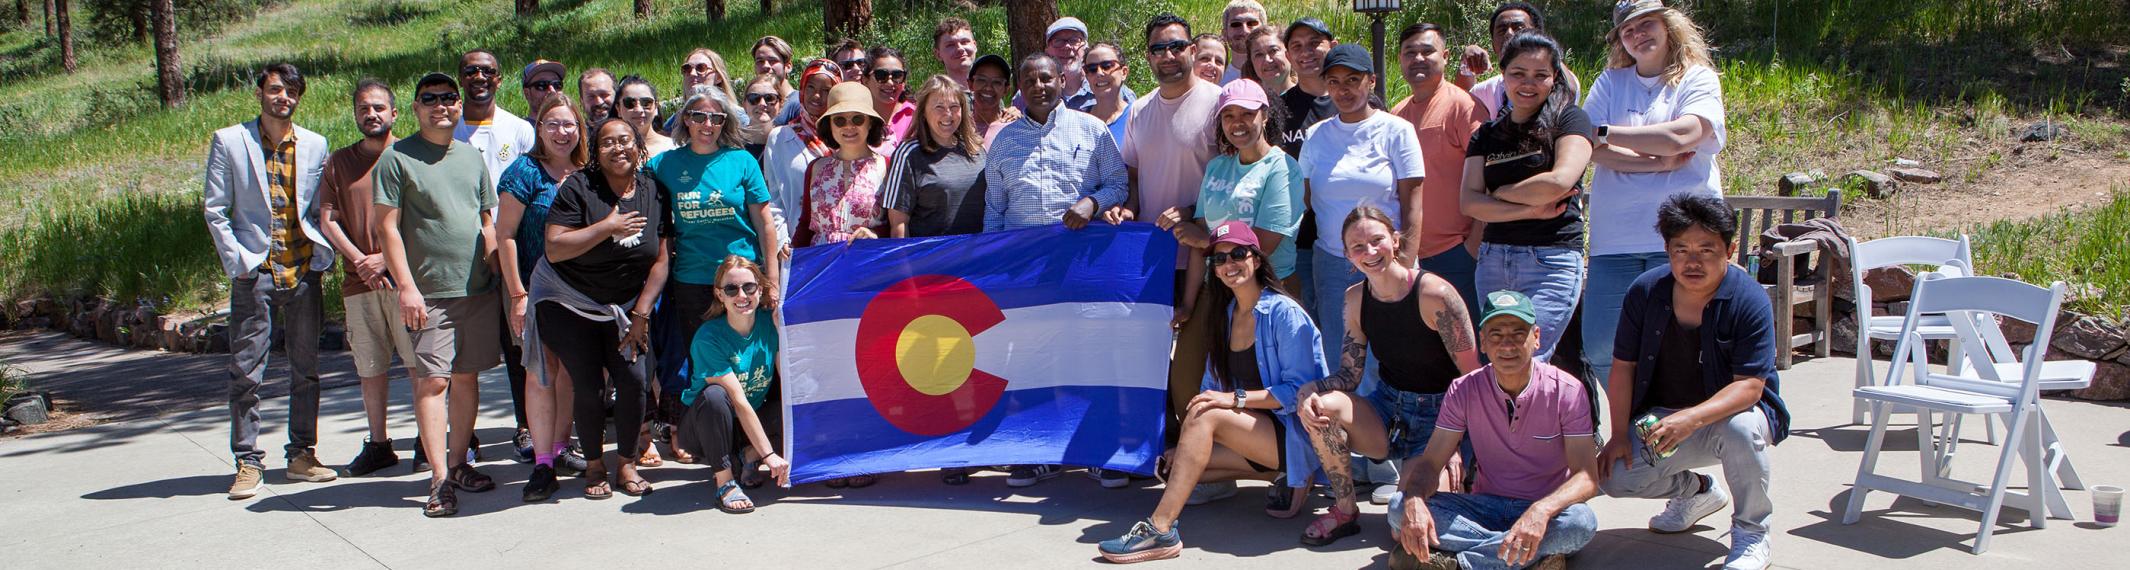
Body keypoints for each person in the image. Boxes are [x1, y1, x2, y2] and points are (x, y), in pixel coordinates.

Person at [1095, 221, 1329, 564]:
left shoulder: (1284, 312)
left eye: (1237, 254)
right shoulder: (1227, 314)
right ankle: (1288, 478)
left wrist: (1233, 400)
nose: (1228, 264)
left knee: (1208, 414)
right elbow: (1209, 388)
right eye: (1218, 260)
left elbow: (1298, 393)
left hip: (1294, 434)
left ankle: (1160, 528)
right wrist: (1190, 440)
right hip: (1253, 437)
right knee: (1175, 465)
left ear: (1257, 259)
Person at [1597, 193, 1788, 570]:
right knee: (1615, 478)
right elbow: (1623, 367)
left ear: (1730, 249)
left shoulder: (1748, 299)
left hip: (1730, 414)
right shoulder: (1646, 291)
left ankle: (1752, 531)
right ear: (1666, 250)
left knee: (1741, 429)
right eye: (1680, 249)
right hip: (1664, 419)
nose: (1692, 261)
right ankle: (1696, 491)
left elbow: (1750, 387)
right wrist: (1619, 434)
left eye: (1706, 249)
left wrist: (1693, 418)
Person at [1282, 207, 1483, 547]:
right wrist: (1310, 390)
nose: (1370, 252)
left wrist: (1458, 444)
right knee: (1322, 407)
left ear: (1395, 240)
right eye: (1357, 246)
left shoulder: (1435, 294)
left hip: (1441, 417)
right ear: (1347, 255)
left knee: (1403, 525)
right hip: (1389, 410)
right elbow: (1349, 374)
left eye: (1377, 241)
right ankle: (1345, 510)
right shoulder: (1356, 298)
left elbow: (1472, 378)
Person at [1153, 78, 1304, 508]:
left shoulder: (1282, 168)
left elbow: (1267, 242)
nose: (1238, 123)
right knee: (1186, 382)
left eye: (1247, 114)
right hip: (1214, 291)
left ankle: (1286, 468)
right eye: (1229, 116)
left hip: (1269, 290)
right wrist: (1187, 301)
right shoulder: (1218, 167)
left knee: (1267, 384)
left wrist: (1205, 241)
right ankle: (1220, 467)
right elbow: (1197, 234)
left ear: (1265, 116)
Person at [1386, 289, 1599, 570]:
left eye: (1518, 333)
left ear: (1536, 337)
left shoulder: (1568, 390)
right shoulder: (1463, 389)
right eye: (1496, 334)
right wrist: (1414, 501)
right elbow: (1431, 462)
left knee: (1581, 523)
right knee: (1398, 507)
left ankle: (1459, 564)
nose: (1507, 345)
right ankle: (1528, 559)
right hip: (1483, 507)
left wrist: (1540, 511)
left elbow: (1587, 478)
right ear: (1483, 342)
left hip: (1544, 509)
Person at [371, 71, 505, 517]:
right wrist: (406, 287)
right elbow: (386, 227)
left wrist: (498, 269)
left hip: (477, 290)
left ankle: (458, 462)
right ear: (415, 108)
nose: (441, 105)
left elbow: (487, 220)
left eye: (449, 97)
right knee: (432, 382)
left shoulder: (470, 158)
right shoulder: (397, 158)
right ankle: (438, 479)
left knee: (466, 378)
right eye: (430, 98)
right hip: (428, 293)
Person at [203, 63, 337, 499]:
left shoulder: (315, 144)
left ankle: (301, 454)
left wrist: (322, 254)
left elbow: (317, 207)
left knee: (307, 369)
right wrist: (239, 262)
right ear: (260, 92)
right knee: (246, 371)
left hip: (301, 270)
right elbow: (216, 209)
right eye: (276, 89)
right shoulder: (230, 140)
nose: (284, 97)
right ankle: (246, 461)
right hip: (254, 272)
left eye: (292, 91)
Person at [1580, 0, 1728, 390]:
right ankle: (1634, 426)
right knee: (1600, 345)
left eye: (1646, 25)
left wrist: (1608, 133)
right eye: (1628, 30)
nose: (1638, 35)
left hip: (1683, 238)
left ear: (1668, 26)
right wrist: (1658, 162)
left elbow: (1682, 135)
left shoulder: (1697, 79)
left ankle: (1679, 429)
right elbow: (1585, 144)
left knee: (1684, 343)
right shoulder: (1610, 82)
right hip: (1615, 239)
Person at [530, 118, 671, 500]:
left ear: (638, 145)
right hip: (568, 301)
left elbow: (661, 259)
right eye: (608, 142)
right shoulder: (579, 188)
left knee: (635, 380)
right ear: (596, 149)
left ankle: (626, 462)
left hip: (626, 306)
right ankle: (594, 464)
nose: (618, 148)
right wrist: (607, 226)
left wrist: (641, 313)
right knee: (589, 386)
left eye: (625, 140)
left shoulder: (653, 191)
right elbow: (555, 247)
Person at [647, 84, 782, 474]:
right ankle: (720, 453)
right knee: (712, 376)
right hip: (693, 283)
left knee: (755, 366)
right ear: (684, 120)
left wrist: (769, 280)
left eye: (716, 118)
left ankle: (752, 451)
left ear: (725, 122)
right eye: (699, 116)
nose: (707, 124)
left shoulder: (741, 160)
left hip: (745, 281)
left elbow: (765, 223)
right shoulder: (666, 165)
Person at [1458, 32, 1591, 363]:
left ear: (1555, 77)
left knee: (1530, 359)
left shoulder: (1570, 119)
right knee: (1497, 361)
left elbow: (1559, 181)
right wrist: (1532, 209)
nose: (1528, 84)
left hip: (1551, 259)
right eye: (1518, 73)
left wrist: (1501, 193)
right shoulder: (1486, 134)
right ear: (1503, 76)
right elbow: (1470, 203)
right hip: (1494, 259)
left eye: (1540, 75)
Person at [1298, 43, 1425, 368]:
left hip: (1386, 261)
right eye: (1335, 81)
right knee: (1341, 359)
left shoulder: (1397, 131)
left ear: (1371, 81)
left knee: (1393, 357)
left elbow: (1413, 204)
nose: (1344, 89)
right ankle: (1344, 420)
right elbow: (1306, 198)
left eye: (1353, 80)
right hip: (1332, 264)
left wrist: (1405, 265)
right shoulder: (1315, 135)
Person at [499, 93, 597, 502]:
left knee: (572, 372)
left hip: (584, 291)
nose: (562, 132)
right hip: (535, 289)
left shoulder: (589, 172)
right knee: (541, 374)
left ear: (581, 129)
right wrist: (517, 293)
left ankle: (560, 448)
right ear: (538, 128)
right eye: (553, 124)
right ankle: (542, 463)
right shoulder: (524, 172)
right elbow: (503, 235)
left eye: (569, 124)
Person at [317, 79, 413, 478]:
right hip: (360, 284)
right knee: (370, 368)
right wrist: (361, 261)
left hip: (408, 282)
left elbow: (425, 220)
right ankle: (378, 444)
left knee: (419, 364)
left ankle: (428, 441)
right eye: (363, 109)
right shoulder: (339, 162)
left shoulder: (411, 156)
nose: (370, 115)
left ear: (394, 113)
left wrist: (385, 260)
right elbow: (327, 220)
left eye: (378, 108)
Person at [454, 51, 535, 464]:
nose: (479, 77)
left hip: (509, 252)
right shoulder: (446, 130)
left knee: (518, 344)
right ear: (461, 79)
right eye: (471, 71)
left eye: (487, 71)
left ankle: (525, 426)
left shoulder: (519, 130)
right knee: (461, 352)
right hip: (460, 256)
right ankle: (462, 435)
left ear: (500, 80)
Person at [1391, 23, 1491, 318]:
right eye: (1410, 53)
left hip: (1458, 254)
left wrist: (1472, 245)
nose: (1418, 58)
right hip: (1411, 256)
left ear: (1445, 56)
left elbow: (1489, 179)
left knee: (1468, 348)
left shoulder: (1463, 107)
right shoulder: (1397, 114)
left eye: (1427, 51)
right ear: (1400, 59)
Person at [680, 256, 792, 513]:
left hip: (745, 423)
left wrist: (781, 331)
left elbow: (789, 382)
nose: (741, 295)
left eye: (749, 287)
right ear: (720, 295)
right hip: (705, 425)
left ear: (760, 289)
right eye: (731, 289)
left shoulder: (768, 324)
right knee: (715, 395)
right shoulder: (708, 337)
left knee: (795, 413)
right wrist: (770, 455)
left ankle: (746, 457)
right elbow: (738, 402)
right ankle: (725, 482)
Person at [982, 53, 1128, 236]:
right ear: (1021, 87)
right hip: (1022, 255)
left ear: (1062, 80)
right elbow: (995, 210)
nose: (1038, 87)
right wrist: (991, 255)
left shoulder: (1093, 130)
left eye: (1045, 79)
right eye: (1029, 82)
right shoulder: (1003, 141)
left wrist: (1093, 203)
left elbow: (1119, 185)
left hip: (1077, 251)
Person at [885, 75, 988, 240]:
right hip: (931, 261)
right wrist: (905, 266)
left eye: (954, 106)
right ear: (924, 112)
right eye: (939, 107)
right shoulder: (909, 154)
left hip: (976, 259)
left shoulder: (978, 150)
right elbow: (899, 224)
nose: (948, 114)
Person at [795, 82, 888, 249]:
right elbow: (805, 225)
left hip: (868, 262)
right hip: (822, 264)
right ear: (829, 125)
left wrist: (877, 235)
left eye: (857, 118)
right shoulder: (815, 168)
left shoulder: (887, 166)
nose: (849, 126)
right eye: (839, 120)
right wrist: (792, 256)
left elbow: (897, 223)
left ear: (871, 123)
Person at [1456, 3, 1582, 119]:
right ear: (1493, 44)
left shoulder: (1554, 80)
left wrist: (1546, 50)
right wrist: (1466, 63)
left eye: (1518, 28)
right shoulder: (1491, 89)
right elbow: (1459, 103)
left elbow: (1569, 91)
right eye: (1502, 30)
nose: (1509, 34)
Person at [763, 59, 840, 243]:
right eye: (811, 87)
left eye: (826, 90)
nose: (816, 96)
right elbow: (774, 198)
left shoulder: (844, 134)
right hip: (795, 243)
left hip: (837, 242)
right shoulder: (780, 138)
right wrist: (782, 241)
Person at [1276, 18, 1338, 158]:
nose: (1305, 52)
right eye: (1297, 46)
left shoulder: (1357, 102)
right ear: (1288, 56)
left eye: (1314, 43)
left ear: (1333, 47)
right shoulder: (1276, 109)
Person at [669, 48, 744, 133]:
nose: (692, 73)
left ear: (718, 77)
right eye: (687, 68)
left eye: (701, 68)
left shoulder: (739, 116)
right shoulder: (675, 121)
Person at [863, 46, 917, 151]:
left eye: (897, 75)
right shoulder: (856, 118)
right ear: (866, 81)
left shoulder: (917, 116)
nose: (890, 82)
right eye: (881, 75)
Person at [1081, 43, 1133, 149]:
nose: (1099, 73)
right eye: (1092, 69)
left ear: (1124, 72)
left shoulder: (1138, 118)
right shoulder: (1078, 122)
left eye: (1107, 66)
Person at [616, 75, 675, 155]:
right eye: (629, 103)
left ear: (656, 108)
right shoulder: (612, 153)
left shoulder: (674, 149)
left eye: (646, 103)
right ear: (618, 109)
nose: (639, 110)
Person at [970, 54, 1019, 145]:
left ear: (1006, 89)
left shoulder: (1015, 127)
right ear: (970, 84)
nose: (988, 88)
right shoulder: (958, 126)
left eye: (997, 82)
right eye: (981, 80)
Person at [1217, 0, 1267, 84]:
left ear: (1266, 31)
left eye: (1251, 23)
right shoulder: (1216, 79)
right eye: (1236, 24)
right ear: (1224, 34)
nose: (1244, 31)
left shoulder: (1279, 74)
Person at [1237, 26, 1292, 100]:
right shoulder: (1247, 105)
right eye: (1259, 55)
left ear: (1289, 52)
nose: (1267, 60)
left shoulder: (1309, 95)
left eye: (1273, 51)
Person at [740, 73, 784, 159]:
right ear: (744, 105)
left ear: (781, 105)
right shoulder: (732, 143)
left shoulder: (788, 144)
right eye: (754, 98)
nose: (762, 104)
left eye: (770, 98)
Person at [933, 18, 978, 88]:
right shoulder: (934, 96)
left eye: (964, 42)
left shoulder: (990, 93)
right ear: (938, 54)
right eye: (950, 45)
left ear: (974, 46)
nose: (960, 48)